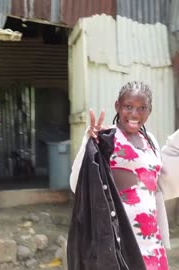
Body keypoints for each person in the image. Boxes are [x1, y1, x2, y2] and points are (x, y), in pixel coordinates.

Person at [70, 81, 168, 270]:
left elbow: (154, 188)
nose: (134, 114)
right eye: (128, 107)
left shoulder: (150, 141)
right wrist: (89, 143)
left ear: (150, 111)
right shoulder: (106, 137)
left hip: (151, 241)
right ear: (117, 106)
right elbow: (78, 184)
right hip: (119, 238)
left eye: (142, 108)